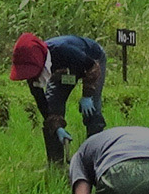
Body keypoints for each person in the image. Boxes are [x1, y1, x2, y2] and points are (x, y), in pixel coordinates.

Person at [11, 32, 108, 165]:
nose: (31, 76)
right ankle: (56, 164)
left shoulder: (64, 51)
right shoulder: (34, 74)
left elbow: (93, 68)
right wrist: (56, 127)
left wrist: (87, 95)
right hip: (62, 72)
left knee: (93, 111)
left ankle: (94, 160)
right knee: (53, 110)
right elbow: (43, 104)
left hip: (91, 61)